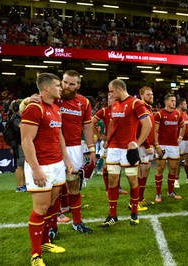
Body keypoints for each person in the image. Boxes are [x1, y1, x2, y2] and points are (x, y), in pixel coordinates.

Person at [20, 70, 96, 237]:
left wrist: (91, 149)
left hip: (73, 148)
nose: (66, 86)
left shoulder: (83, 102)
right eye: (64, 82)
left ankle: (77, 222)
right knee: (55, 191)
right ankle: (52, 226)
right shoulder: (52, 96)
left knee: (73, 185)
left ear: (78, 86)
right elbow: (24, 109)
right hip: (50, 150)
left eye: (71, 83)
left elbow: (88, 126)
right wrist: (27, 100)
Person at [21, 73, 72, 266]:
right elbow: (26, 141)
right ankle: (36, 254)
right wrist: (35, 169)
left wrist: (66, 159)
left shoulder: (56, 108)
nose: (61, 88)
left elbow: (59, 136)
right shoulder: (34, 108)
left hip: (57, 164)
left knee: (52, 205)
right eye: (58, 85)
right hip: (41, 165)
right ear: (47, 88)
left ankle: (45, 242)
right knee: (41, 208)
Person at [101, 79, 152, 227]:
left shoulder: (136, 103)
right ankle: (112, 216)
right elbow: (112, 124)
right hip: (113, 149)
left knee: (132, 180)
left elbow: (147, 124)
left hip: (128, 149)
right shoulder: (115, 104)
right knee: (112, 181)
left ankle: (134, 212)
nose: (109, 94)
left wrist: (137, 143)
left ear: (118, 89)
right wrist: (108, 139)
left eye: (111, 91)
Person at [92, 94, 128, 195]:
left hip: (121, 142)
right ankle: (108, 189)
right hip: (109, 142)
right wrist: (99, 135)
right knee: (106, 166)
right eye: (108, 98)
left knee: (118, 166)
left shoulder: (122, 109)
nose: (108, 100)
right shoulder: (104, 111)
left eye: (111, 98)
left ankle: (118, 187)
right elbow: (92, 122)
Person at [154, 93, 185, 203]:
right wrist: (156, 145)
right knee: (160, 169)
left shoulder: (178, 114)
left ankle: (170, 191)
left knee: (173, 169)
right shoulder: (159, 114)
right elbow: (155, 131)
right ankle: (158, 193)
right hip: (162, 145)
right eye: (172, 100)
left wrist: (180, 136)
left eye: (175, 101)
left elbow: (183, 126)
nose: (174, 103)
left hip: (174, 146)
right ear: (166, 102)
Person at [137, 86, 155, 208]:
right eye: (148, 95)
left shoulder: (148, 109)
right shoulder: (141, 108)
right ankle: (136, 201)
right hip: (143, 145)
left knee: (146, 171)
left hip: (148, 145)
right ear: (141, 95)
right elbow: (139, 129)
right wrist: (147, 145)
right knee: (141, 173)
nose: (151, 97)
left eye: (152, 94)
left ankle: (141, 198)